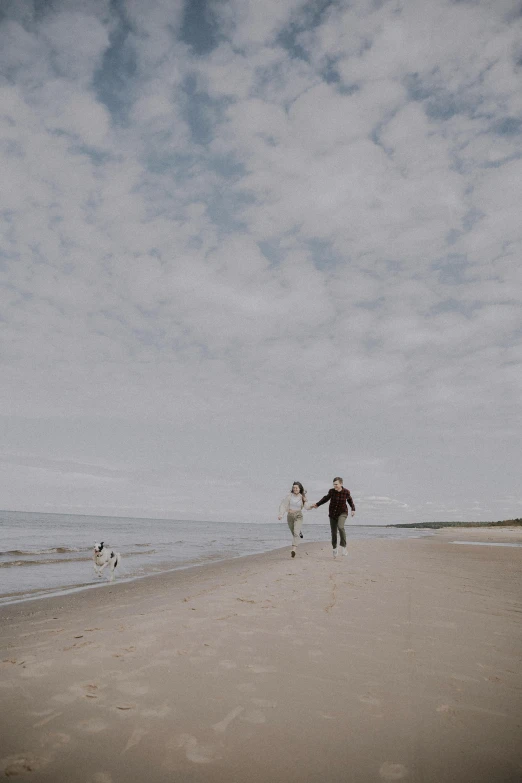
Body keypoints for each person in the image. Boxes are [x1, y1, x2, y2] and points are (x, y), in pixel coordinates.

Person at [309, 477, 355, 558]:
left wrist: (353, 509)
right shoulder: (332, 491)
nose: (335, 486)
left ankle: (344, 547)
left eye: (336, 484)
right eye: (334, 484)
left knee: (340, 527)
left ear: (341, 484)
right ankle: (334, 548)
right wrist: (317, 504)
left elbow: (350, 501)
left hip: (342, 513)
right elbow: (325, 498)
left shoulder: (346, 492)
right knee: (333, 532)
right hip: (332, 514)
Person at [278, 482, 308, 558]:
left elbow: (306, 506)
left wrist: (311, 505)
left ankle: (293, 550)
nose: (295, 489)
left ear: (299, 489)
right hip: (290, 516)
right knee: (293, 531)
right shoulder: (289, 496)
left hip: (298, 515)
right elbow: (283, 505)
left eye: (296, 488)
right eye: (294, 488)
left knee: (295, 533)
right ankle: (299, 532)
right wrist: (281, 514)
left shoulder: (302, 497)